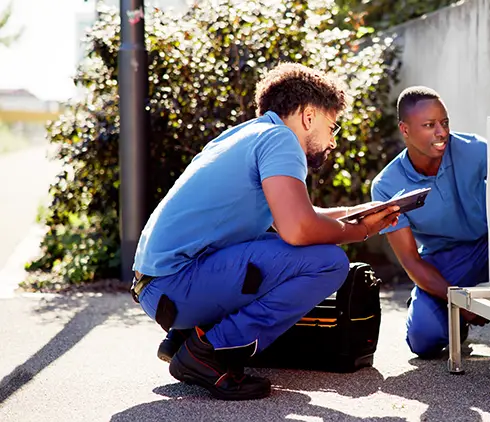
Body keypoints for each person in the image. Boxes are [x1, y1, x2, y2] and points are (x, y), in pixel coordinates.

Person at [130, 62, 400, 401]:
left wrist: (355, 215)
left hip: (160, 286)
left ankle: (188, 336)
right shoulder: (281, 141)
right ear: (308, 116)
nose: (332, 140)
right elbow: (298, 229)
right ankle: (209, 350)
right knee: (328, 262)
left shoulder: (247, 134)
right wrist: (359, 233)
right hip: (177, 284)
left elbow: (294, 217)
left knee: (281, 246)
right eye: (332, 126)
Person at [370, 86, 490, 363]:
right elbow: (410, 260)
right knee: (423, 340)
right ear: (405, 130)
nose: (441, 132)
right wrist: (460, 304)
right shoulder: (387, 187)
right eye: (429, 125)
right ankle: (446, 315)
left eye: (444, 123)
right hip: (446, 261)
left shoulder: (477, 150)